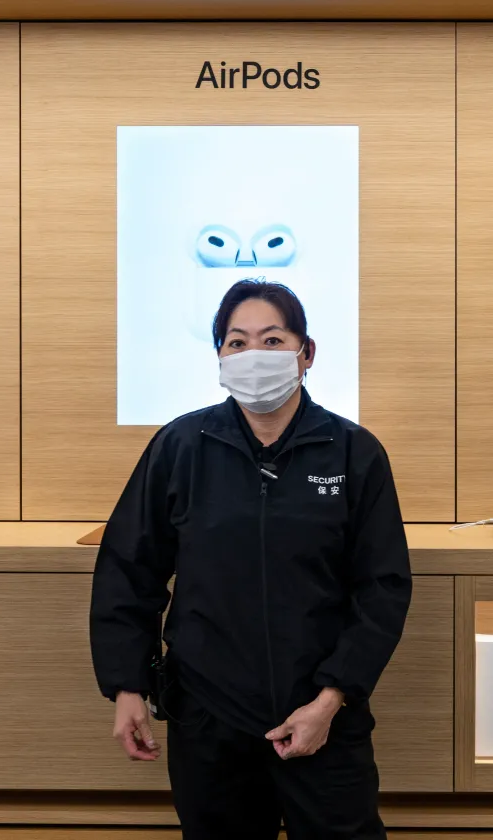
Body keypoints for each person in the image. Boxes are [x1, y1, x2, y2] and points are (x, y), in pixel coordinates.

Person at [90, 279, 412, 840]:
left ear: (306, 354)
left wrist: (331, 700)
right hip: (208, 717)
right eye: (237, 342)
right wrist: (127, 687)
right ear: (218, 355)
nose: (253, 355)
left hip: (322, 714)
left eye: (272, 339)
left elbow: (382, 588)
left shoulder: (354, 452)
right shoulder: (182, 447)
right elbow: (129, 568)